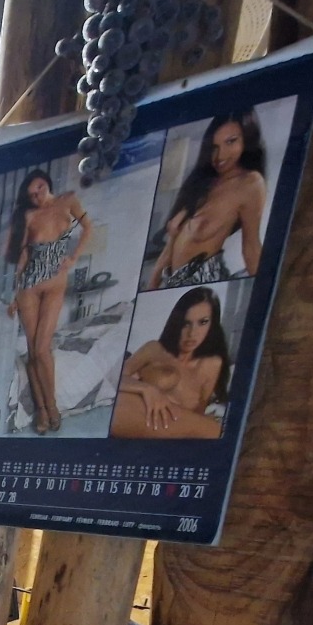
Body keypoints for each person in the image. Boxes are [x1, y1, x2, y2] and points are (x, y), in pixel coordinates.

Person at [5, 168, 88, 433]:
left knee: (42, 349)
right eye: (32, 194)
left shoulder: (69, 200)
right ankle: (43, 410)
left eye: (40, 187)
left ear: (47, 183)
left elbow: (88, 227)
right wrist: (14, 293)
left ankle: (52, 405)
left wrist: (74, 258)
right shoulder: (30, 216)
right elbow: (23, 256)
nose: (38, 195)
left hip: (55, 283)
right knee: (33, 350)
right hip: (29, 285)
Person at [147, 110, 267, 288]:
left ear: (247, 139)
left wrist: (262, 293)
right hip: (173, 283)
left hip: (205, 281)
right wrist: (151, 288)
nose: (220, 155)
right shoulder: (202, 183)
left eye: (230, 141)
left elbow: (251, 249)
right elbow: (169, 250)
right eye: (214, 146)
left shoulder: (250, 183)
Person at [111, 287, 232, 439]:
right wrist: (147, 389)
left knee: (213, 430)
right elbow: (112, 380)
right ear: (176, 322)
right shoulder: (154, 349)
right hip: (132, 416)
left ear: (212, 324)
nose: (192, 333)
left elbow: (198, 412)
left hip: (169, 430)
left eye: (203, 322)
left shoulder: (212, 364)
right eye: (186, 323)